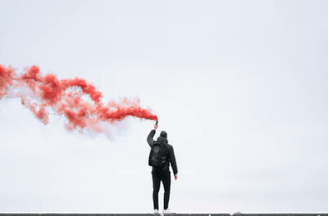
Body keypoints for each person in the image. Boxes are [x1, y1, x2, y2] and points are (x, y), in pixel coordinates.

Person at [147, 123, 178, 214]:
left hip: (155, 171)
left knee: (155, 190)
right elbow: (173, 160)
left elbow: (148, 138)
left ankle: (155, 210)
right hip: (165, 172)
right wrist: (175, 172)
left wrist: (154, 129)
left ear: (159, 137)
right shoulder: (169, 147)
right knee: (167, 190)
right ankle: (165, 209)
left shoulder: (153, 144)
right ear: (166, 138)